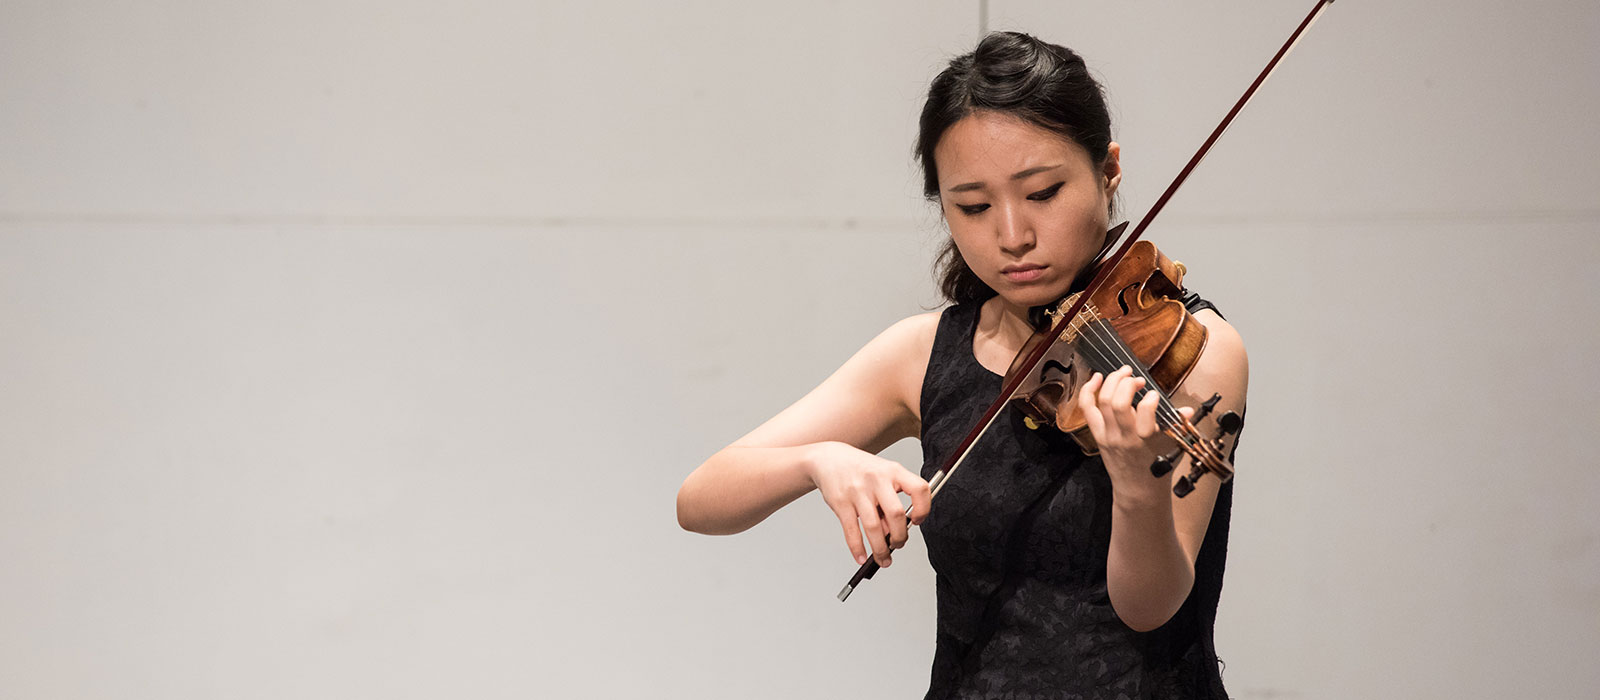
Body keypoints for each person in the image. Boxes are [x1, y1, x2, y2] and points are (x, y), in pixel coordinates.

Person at [676, 31, 1248, 699]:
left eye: (1042, 193)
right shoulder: (923, 353)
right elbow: (701, 500)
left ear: (1109, 170)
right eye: (973, 207)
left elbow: (1149, 607)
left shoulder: (1195, 347)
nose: (1012, 235)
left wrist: (1137, 482)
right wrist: (819, 459)